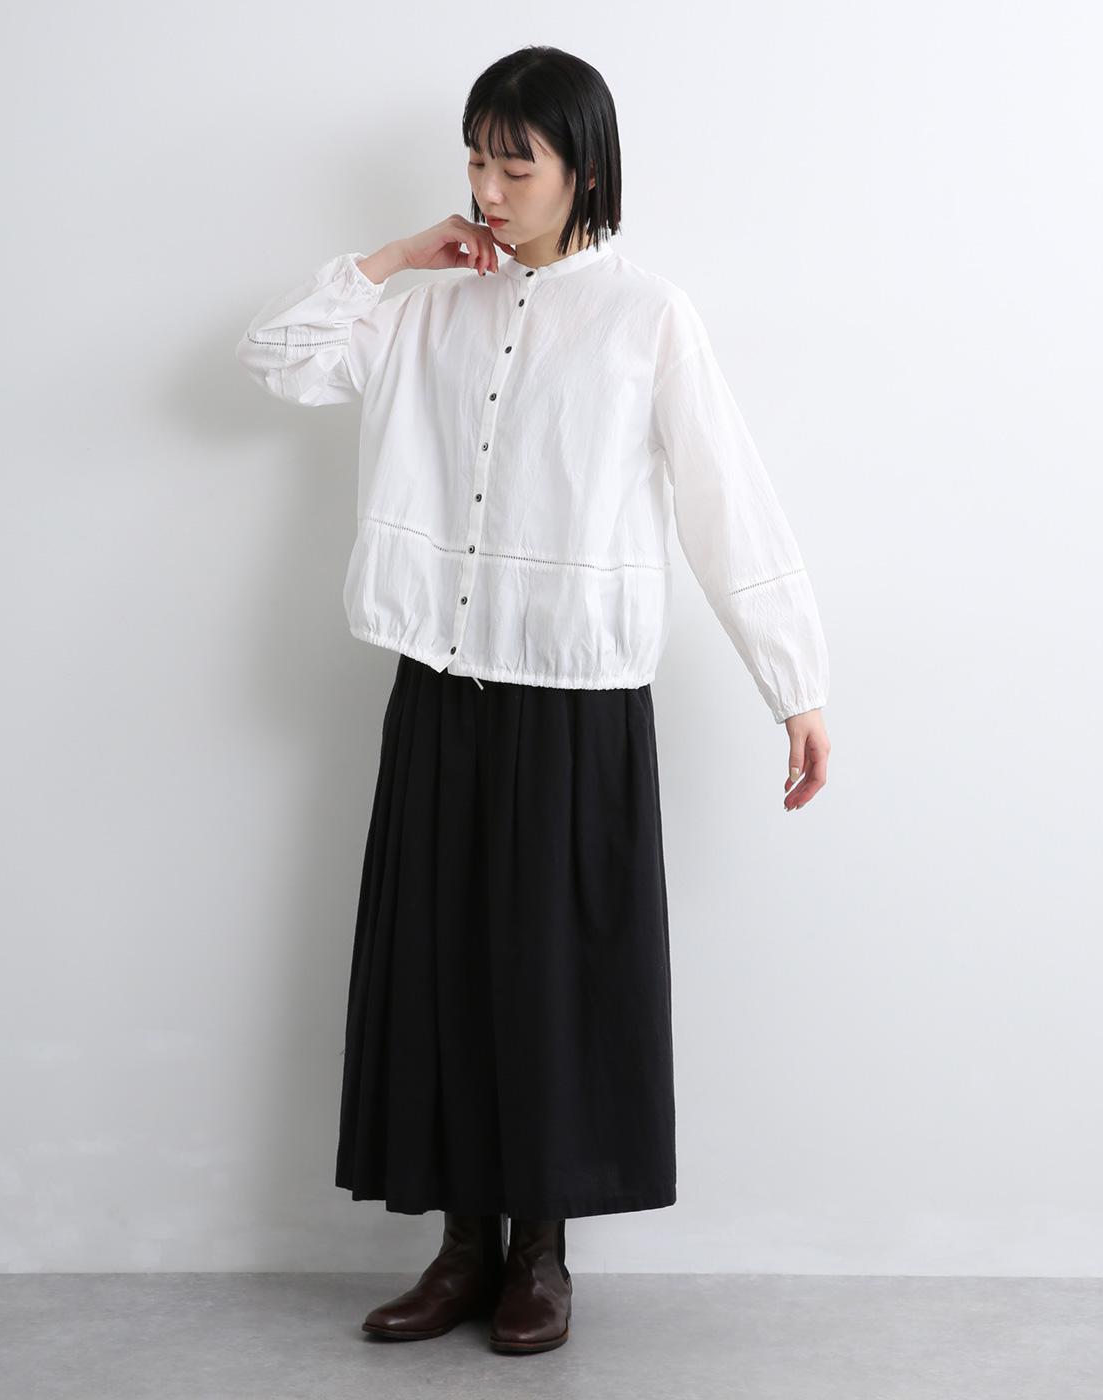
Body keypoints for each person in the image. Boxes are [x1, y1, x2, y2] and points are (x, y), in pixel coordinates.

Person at [234, 45, 831, 1357]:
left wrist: (794, 684)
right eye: (476, 159)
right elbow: (277, 357)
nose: (490, 187)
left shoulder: (647, 317)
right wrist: (398, 258)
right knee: (439, 968)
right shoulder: (423, 309)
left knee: (550, 979)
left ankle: (542, 1257)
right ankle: (460, 1248)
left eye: (518, 162)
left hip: (574, 695)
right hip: (440, 680)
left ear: (585, 172)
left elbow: (727, 497)